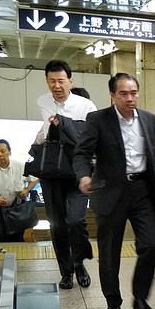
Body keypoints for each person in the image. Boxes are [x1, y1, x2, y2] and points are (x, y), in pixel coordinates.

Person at [72, 73, 155, 309]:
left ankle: (141, 297)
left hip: (142, 192)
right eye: (124, 93)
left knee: (151, 246)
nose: (130, 98)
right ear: (113, 95)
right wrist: (84, 176)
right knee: (109, 252)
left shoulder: (148, 119)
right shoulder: (98, 119)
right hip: (110, 192)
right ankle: (113, 301)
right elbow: (81, 153)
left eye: (134, 93)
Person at [36, 59, 96, 289]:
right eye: (52, 81)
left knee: (76, 219)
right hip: (51, 171)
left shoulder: (85, 105)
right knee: (57, 224)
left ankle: (79, 263)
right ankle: (66, 271)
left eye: (61, 80)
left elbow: (90, 138)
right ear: (47, 81)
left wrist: (65, 124)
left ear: (70, 81)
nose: (57, 85)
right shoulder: (42, 101)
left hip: (77, 170)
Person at [0, 139, 38, 242]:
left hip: (17, 209)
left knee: (18, 238)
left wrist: (26, 190)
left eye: (3, 151)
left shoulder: (20, 165)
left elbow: (35, 178)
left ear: (9, 152)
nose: (0, 154)